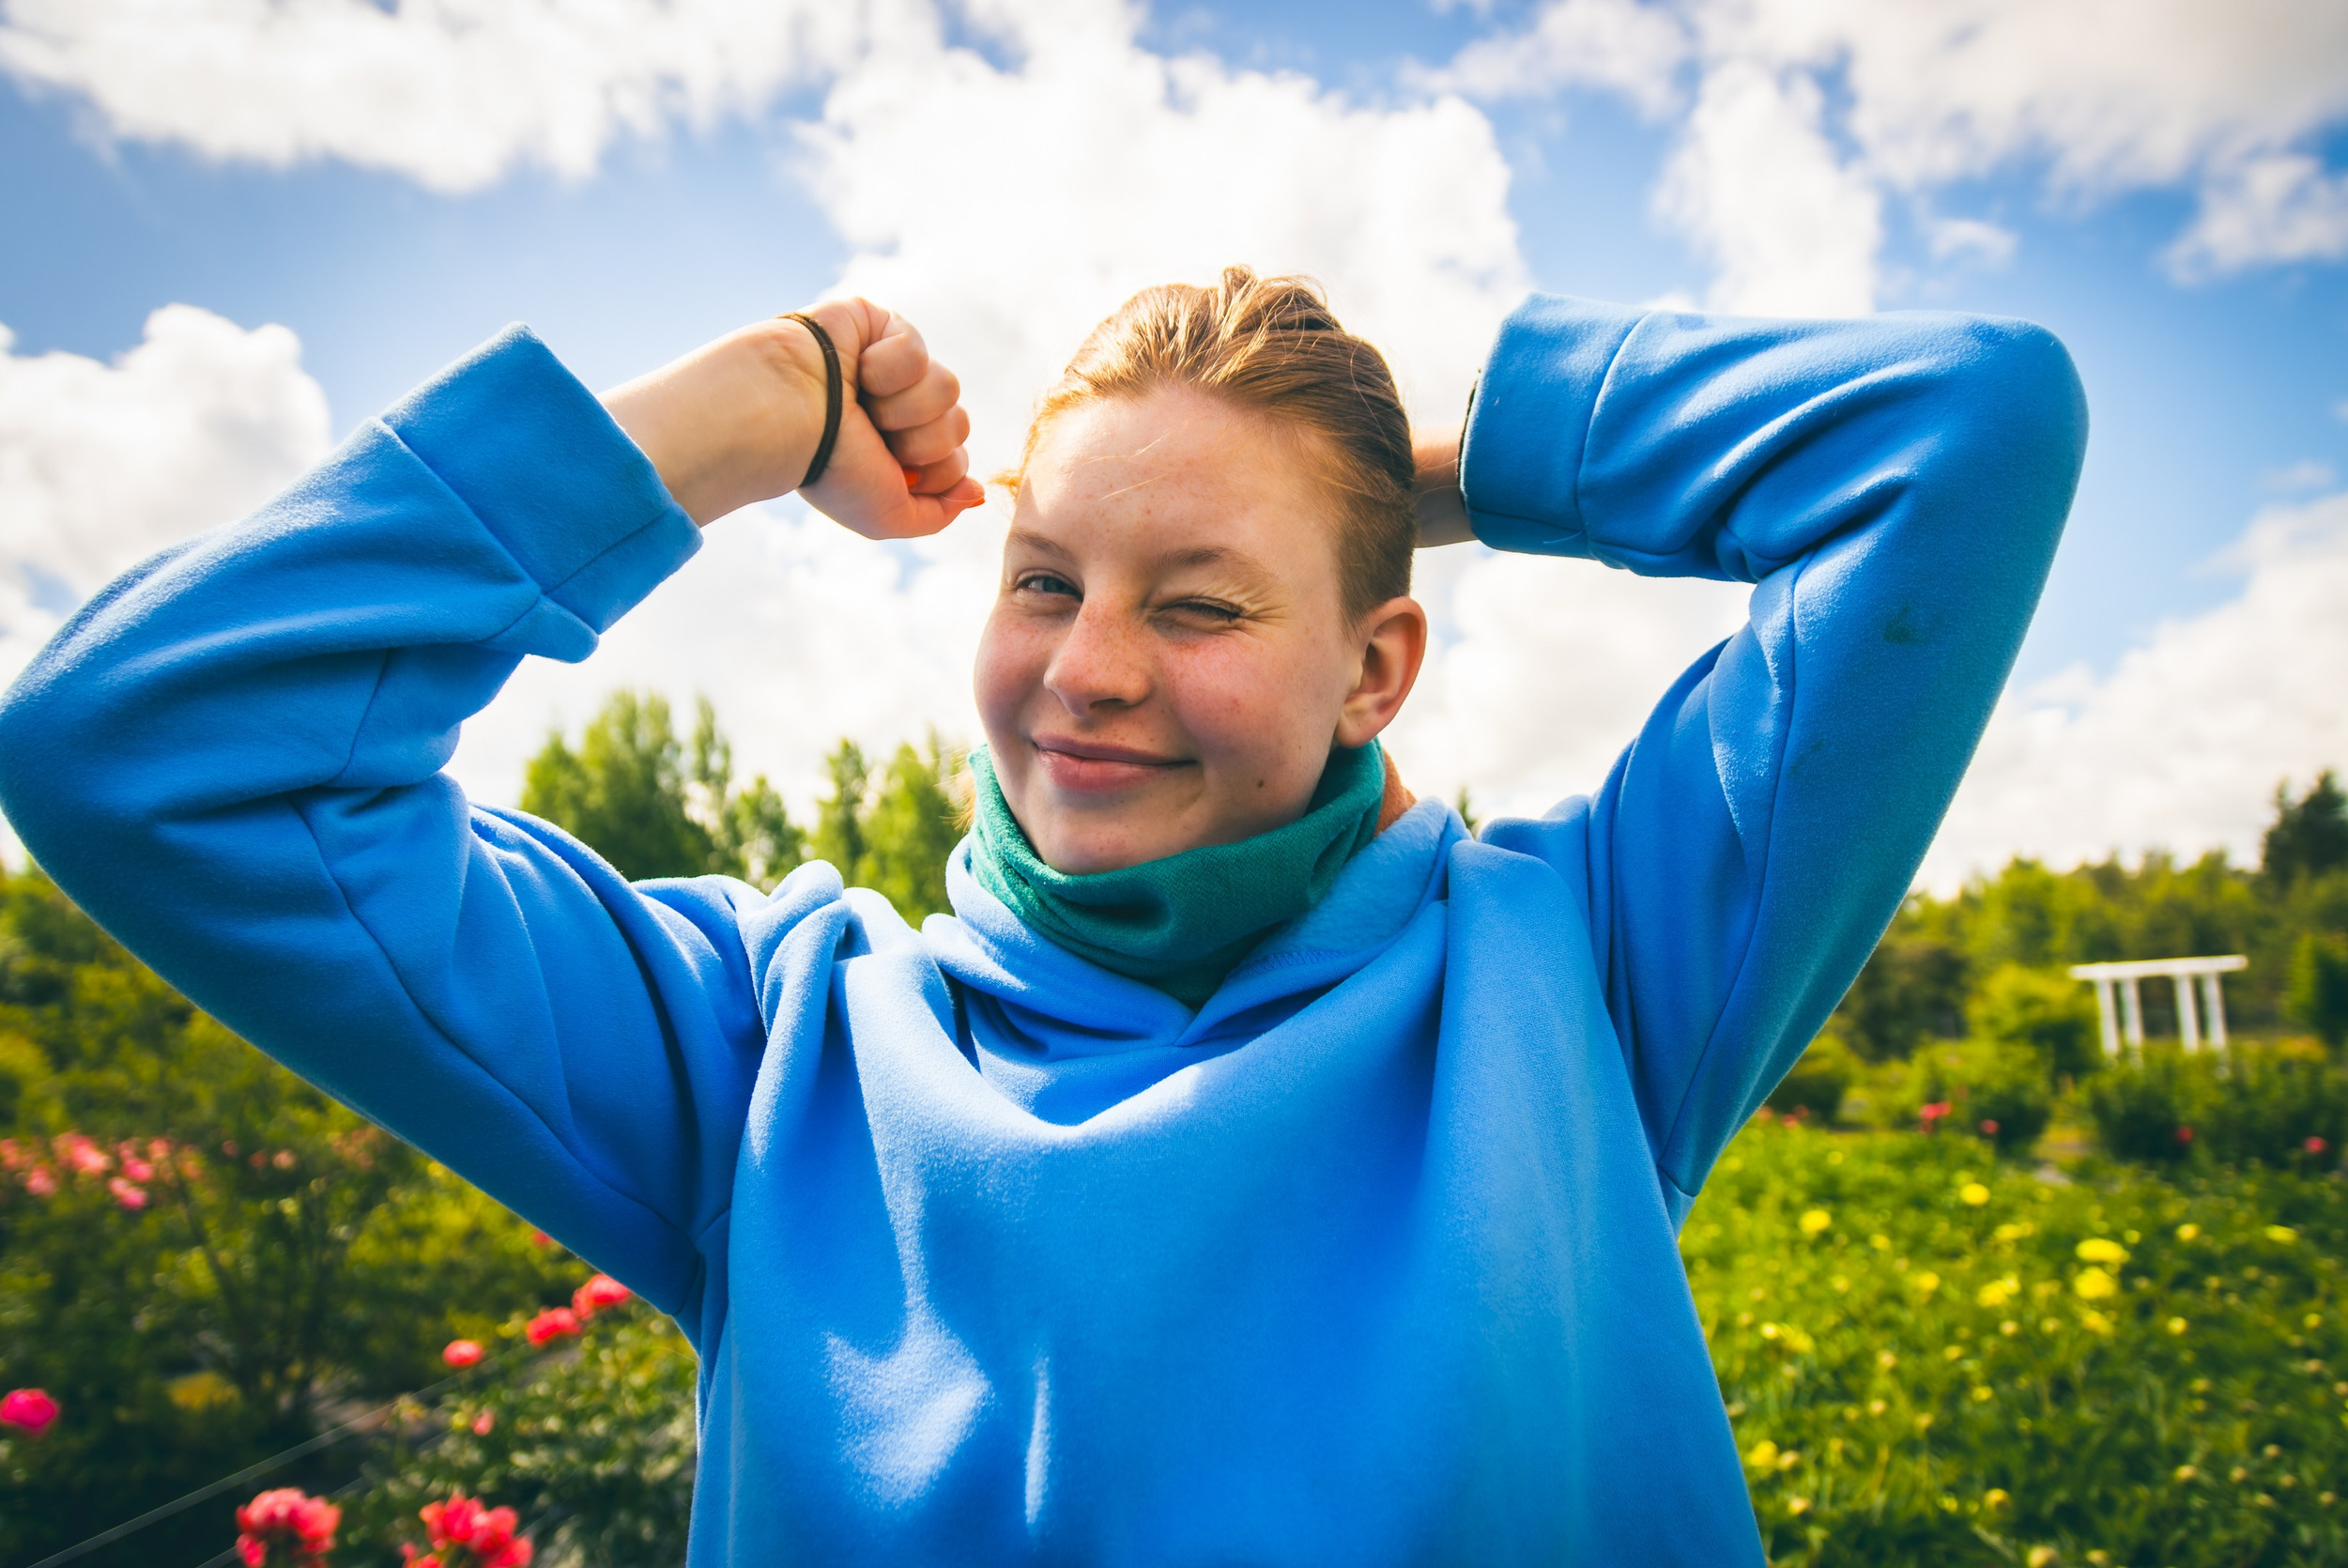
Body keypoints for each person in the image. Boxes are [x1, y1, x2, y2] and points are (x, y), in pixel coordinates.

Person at [0, 268, 2084, 1564]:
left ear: (1375, 673)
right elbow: (137, 748)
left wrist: (1406, 477)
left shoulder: (1591, 965)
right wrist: (729, 424)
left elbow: (1960, 431)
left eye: (1197, 602)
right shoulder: (754, 1046)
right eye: (1041, 578)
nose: (1086, 667)